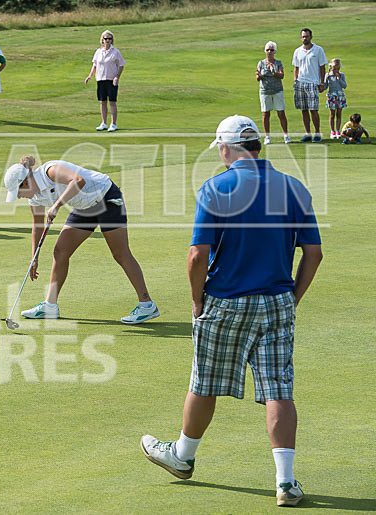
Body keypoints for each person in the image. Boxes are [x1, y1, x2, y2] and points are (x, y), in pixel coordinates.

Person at [140, 115, 323, 508]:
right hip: (277, 301)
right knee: (279, 389)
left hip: (226, 300)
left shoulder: (216, 187)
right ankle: (285, 482)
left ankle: (183, 456)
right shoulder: (294, 188)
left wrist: (196, 299)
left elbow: (197, 256)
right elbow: (314, 253)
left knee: (204, 382)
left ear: (226, 148)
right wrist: (292, 297)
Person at [3, 156, 159, 324]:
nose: (18, 197)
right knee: (60, 251)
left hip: (106, 197)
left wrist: (57, 206)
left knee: (120, 253)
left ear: (26, 182)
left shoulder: (50, 171)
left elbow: (78, 180)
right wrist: (35, 257)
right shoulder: (34, 197)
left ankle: (146, 305)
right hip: (85, 207)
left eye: (18, 192)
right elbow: (38, 224)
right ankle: (50, 305)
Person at [84, 30, 125, 132]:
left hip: (111, 80)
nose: (107, 40)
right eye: (105, 38)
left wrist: (117, 77)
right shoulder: (98, 51)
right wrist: (90, 76)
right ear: (102, 40)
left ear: (112, 40)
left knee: (112, 102)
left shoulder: (116, 52)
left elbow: (121, 65)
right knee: (102, 102)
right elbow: (95, 65)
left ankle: (113, 124)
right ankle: (104, 123)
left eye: (109, 38)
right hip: (100, 79)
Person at [292, 28, 327, 142]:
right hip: (300, 83)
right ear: (300, 38)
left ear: (311, 37)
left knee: (314, 110)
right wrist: (295, 81)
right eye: (303, 37)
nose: (305, 38)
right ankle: (308, 133)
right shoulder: (297, 51)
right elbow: (296, 68)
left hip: (313, 83)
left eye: (306, 36)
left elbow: (322, 67)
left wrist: (322, 83)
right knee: (304, 110)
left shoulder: (318, 50)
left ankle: (317, 133)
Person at [256, 41, 290, 144]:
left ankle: (286, 135)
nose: (269, 52)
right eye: (268, 50)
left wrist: (274, 72)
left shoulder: (278, 63)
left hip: (277, 90)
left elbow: (282, 75)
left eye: (271, 50)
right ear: (265, 51)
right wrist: (259, 76)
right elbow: (257, 77)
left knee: (281, 113)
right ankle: (267, 137)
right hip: (265, 91)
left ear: (275, 51)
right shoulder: (261, 63)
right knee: (266, 114)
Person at [324, 58, 347, 139]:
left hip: (340, 96)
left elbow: (344, 86)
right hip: (332, 96)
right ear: (331, 67)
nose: (336, 70)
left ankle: (337, 130)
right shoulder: (328, 75)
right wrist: (323, 83)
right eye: (335, 68)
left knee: (339, 114)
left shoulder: (342, 75)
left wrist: (339, 79)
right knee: (332, 114)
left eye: (338, 68)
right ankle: (332, 131)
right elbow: (325, 87)